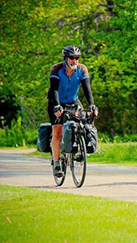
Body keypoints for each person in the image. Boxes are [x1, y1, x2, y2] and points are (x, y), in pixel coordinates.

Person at [47, 45, 98, 177]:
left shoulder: (82, 69)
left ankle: (80, 148)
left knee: (84, 122)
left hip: (73, 100)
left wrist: (92, 105)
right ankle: (57, 163)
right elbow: (54, 89)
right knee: (57, 131)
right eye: (71, 58)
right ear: (65, 58)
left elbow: (87, 89)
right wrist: (57, 106)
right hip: (56, 101)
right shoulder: (56, 69)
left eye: (77, 58)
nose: (74, 61)